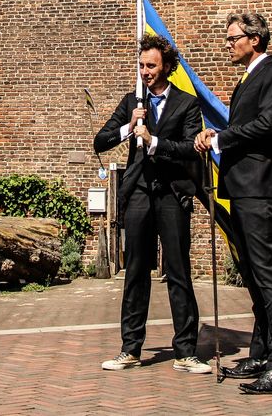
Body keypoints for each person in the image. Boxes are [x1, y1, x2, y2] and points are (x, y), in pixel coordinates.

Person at [194, 12, 272, 395]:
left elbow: (267, 126)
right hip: (241, 189)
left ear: (255, 39)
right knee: (253, 275)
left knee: (268, 273)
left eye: (232, 37)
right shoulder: (247, 79)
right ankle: (260, 352)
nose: (227, 44)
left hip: (260, 189)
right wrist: (217, 136)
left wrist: (220, 139)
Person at [95, 34, 211, 375]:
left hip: (172, 194)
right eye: (142, 66)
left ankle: (186, 351)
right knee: (135, 273)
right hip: (140, 194)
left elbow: (191, 147)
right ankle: (130, 348)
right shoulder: (133, 101)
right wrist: (128, 128)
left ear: (166, 68)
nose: (145, 72)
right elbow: (100, 140)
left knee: (178, 273)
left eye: (151, 66)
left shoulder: (187, 104)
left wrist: (155, 141)